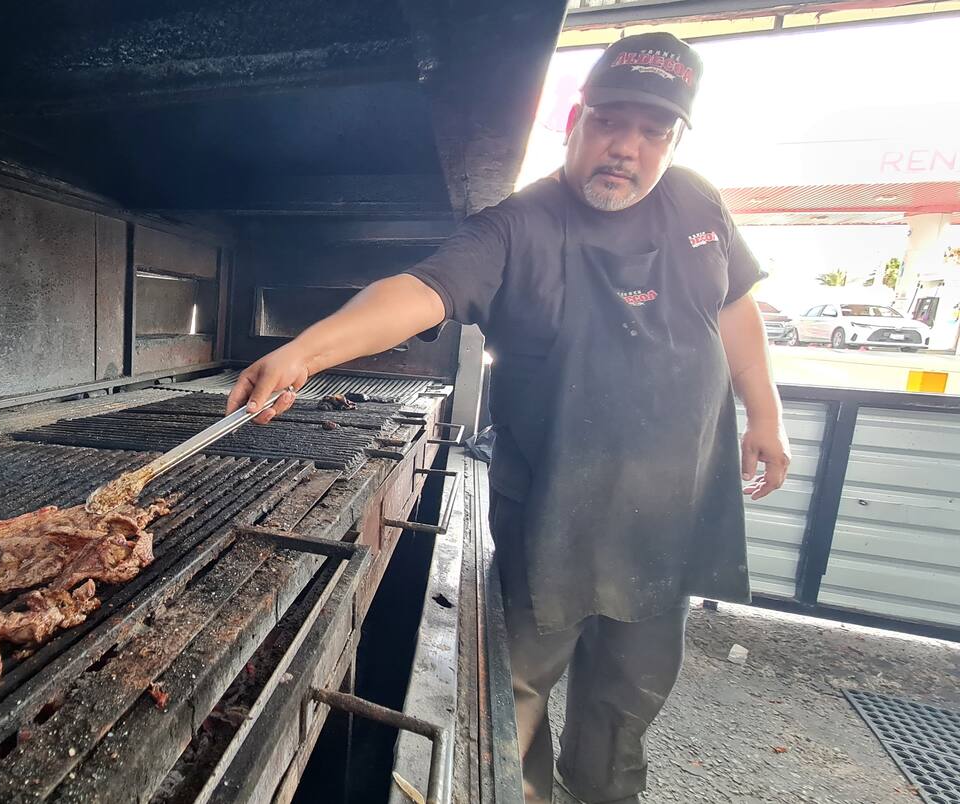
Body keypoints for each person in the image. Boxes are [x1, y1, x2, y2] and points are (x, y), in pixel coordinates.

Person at [227, 32, 790, 804]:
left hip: (671, 518)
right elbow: (420, 291)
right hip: (553, 524)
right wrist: (307, 352)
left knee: (625, 710)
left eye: (652, 132)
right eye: (608, 122)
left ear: (675, 139)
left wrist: (767, 412)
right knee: (510, 706)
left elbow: (735, 306)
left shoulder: (697, 202)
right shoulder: (519, 226)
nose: (625, 148)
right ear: (575, 119)